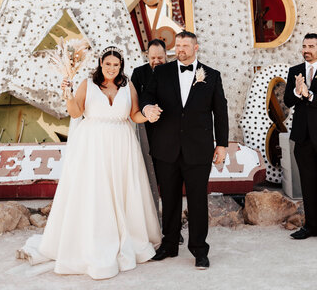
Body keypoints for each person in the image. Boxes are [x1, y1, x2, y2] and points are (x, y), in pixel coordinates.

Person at [18, 46, 161, 280]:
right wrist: (68, 95)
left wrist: (148, 114)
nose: (112, 69)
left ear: (120, 66)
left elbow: (134, 114)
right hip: (94, 146)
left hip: (122, 145)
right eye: (108, 64)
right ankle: (95, 241)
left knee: (123, 191)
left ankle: (128, 238)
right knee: (97, 192)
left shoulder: (128, 86)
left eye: (116, 65)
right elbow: (76, 113)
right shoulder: (88, 84)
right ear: (100, 64)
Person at [140, 30, 229, 269]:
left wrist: (222, 144)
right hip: (166, 148)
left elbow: (220, 111)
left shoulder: (212, 75)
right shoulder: (161, 71)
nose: (180, 49)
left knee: (198, 200)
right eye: (177, 45)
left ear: (196, 47)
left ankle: (200, 250)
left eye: (185, 46)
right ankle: (169, 245)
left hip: (198, 149)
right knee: (168, 199)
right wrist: (148, 107)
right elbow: (146, 95)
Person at [284, 33, 317, 240]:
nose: (306, 49)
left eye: (311, 46)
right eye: (304, 45)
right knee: (308, 183)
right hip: (303, 138)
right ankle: (311, 226)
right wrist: (297, 92)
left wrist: (309, 94)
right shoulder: (294, 71)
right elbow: (288, 101)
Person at [131, 38, 167, 142]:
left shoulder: (175, 71)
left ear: (165, 54)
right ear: (147, 56)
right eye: (153, 58)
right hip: (147, 125)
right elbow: (134, 99)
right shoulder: (138, 73)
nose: (156, 61)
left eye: (160, 57)